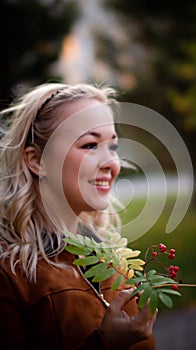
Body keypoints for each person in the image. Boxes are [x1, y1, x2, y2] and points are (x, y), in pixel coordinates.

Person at [0, 83, 157, 350]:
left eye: (113, 147)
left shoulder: (113, 258)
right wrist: (105, 344)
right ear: (37, 160)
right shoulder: (10, 275)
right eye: (90, 145)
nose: (111, 163)